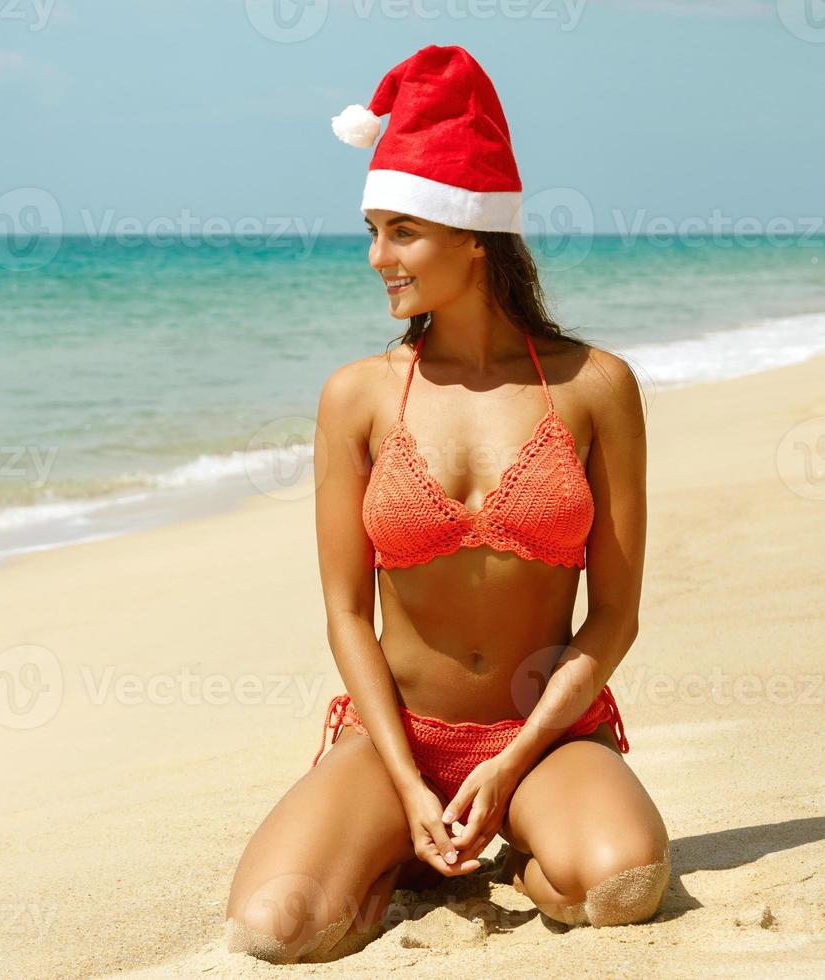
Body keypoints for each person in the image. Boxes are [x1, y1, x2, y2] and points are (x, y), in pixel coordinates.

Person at [224, 45, 670, 964]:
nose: (378, 257)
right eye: (372, 230)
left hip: (544, 736)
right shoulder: (357, 396)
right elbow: (348, 613)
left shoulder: (595, 388)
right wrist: (407, 778)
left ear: (476, 235)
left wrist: (511, 764)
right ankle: (405, 847)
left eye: (403, 231)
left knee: (622, 888)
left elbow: (615, 615)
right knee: (275, 927)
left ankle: (520, 860)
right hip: (400, 738)